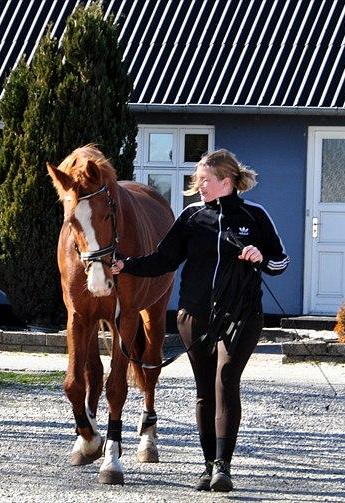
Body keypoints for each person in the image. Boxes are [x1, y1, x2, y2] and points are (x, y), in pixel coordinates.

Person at [110, 148, 289, 492]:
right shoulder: (192, 217)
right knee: (205, 390)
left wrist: (260, 256)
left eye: (204, 180)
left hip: (241, 315)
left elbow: (281, 262)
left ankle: (223, 466)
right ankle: (208, 467)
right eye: (197, 180)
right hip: (195, 316)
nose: (198, 185)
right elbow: (163, 259)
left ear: (225, 181)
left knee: (226, 380)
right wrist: (126, 264)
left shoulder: (255, 215)